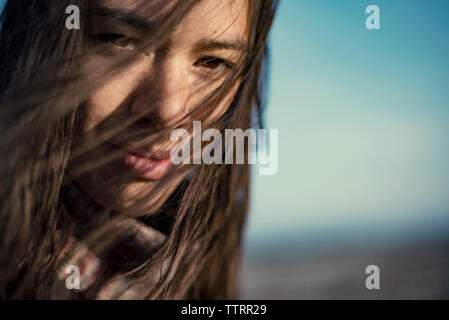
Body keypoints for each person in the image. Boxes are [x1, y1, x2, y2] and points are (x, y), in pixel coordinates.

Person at [0, 0, 278, 299]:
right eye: (121, 40)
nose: (168, 110)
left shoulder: (194, 265)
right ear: (41, 42)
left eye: (212, 62)